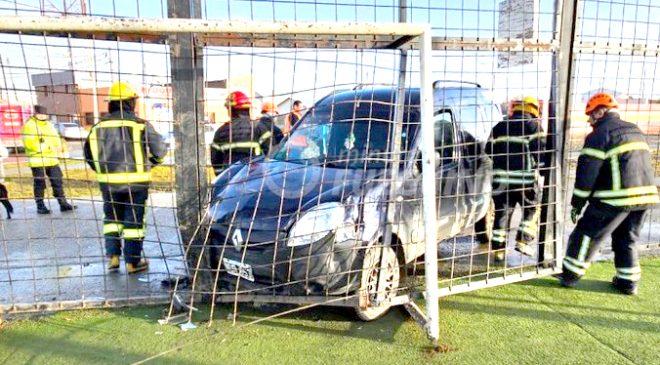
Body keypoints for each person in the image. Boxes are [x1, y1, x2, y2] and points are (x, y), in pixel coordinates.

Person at [557, 92, 658, 295]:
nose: (589, 120)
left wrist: (578, 202)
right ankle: (628, 282)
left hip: (614, 198)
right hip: (646, 196)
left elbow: (587, 175)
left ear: (601, 111)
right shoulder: (634, 129)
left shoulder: (599, 136)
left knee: (586, 233)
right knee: (627, 238)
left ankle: (570, 275)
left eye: (591, 115)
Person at [84, 81, 166, 274]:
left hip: (108, 184)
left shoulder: (97, 127)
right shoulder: (139, 125)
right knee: (133, 223)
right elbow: (160, 150)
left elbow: (89, 155)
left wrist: (103, 171)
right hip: (136, 183)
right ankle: (132, 262)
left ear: (111, 103)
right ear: (131, 102)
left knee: (111, 220)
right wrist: (150, 163)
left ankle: (113, 257)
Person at [485, 96, 545, 261]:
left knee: (502, 214)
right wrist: (543, 169)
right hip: (524, 181)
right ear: (533, 109)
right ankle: (523, 242)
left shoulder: (499, 126)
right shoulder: (533, 126)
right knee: (533, 208)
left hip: (500, 182)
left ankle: (498, 252)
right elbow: (539, 153)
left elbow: (488, 150)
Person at [21, 105, 76, 214]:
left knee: (57, 181)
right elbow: (30, 144)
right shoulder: (29, 126)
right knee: (40, 183)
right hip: (37, 160)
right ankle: (40, 206)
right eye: (39, 113)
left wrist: (60, 146)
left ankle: (63, 203)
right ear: (35, 114)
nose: (42, 116)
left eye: (44, 114)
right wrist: (48, 147)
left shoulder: (49, 125)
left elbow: (56, 138)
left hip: (52, 159)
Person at [210, 91, 273, 175]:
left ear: (230, 109)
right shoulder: (259, 128)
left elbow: (216, 161)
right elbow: (271, 152)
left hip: (231, 180)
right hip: (254, 178)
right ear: (247, 109)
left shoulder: (221, 132)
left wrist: (222, 178)